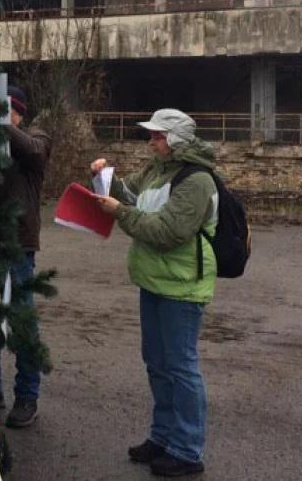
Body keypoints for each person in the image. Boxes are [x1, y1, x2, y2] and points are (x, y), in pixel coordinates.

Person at [90, 108, 218, 478]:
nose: (151, 142)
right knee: (158, 364)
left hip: (182, 286)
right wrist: (103, 178)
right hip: (154, 281)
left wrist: (120, 212)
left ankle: (187, 450)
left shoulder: (197, 180)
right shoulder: (156, 169)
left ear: (176, 140)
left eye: (158, 136)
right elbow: (128, 195)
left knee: (181, 368)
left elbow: (167, 232)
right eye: (152, 135)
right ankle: (162, 437)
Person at [0, 85, 51, 429]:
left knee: (22, 320)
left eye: (9, 112)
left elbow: (34, 152)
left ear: (19, 113)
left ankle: (27, 396)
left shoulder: (37, 137)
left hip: (18, 243)